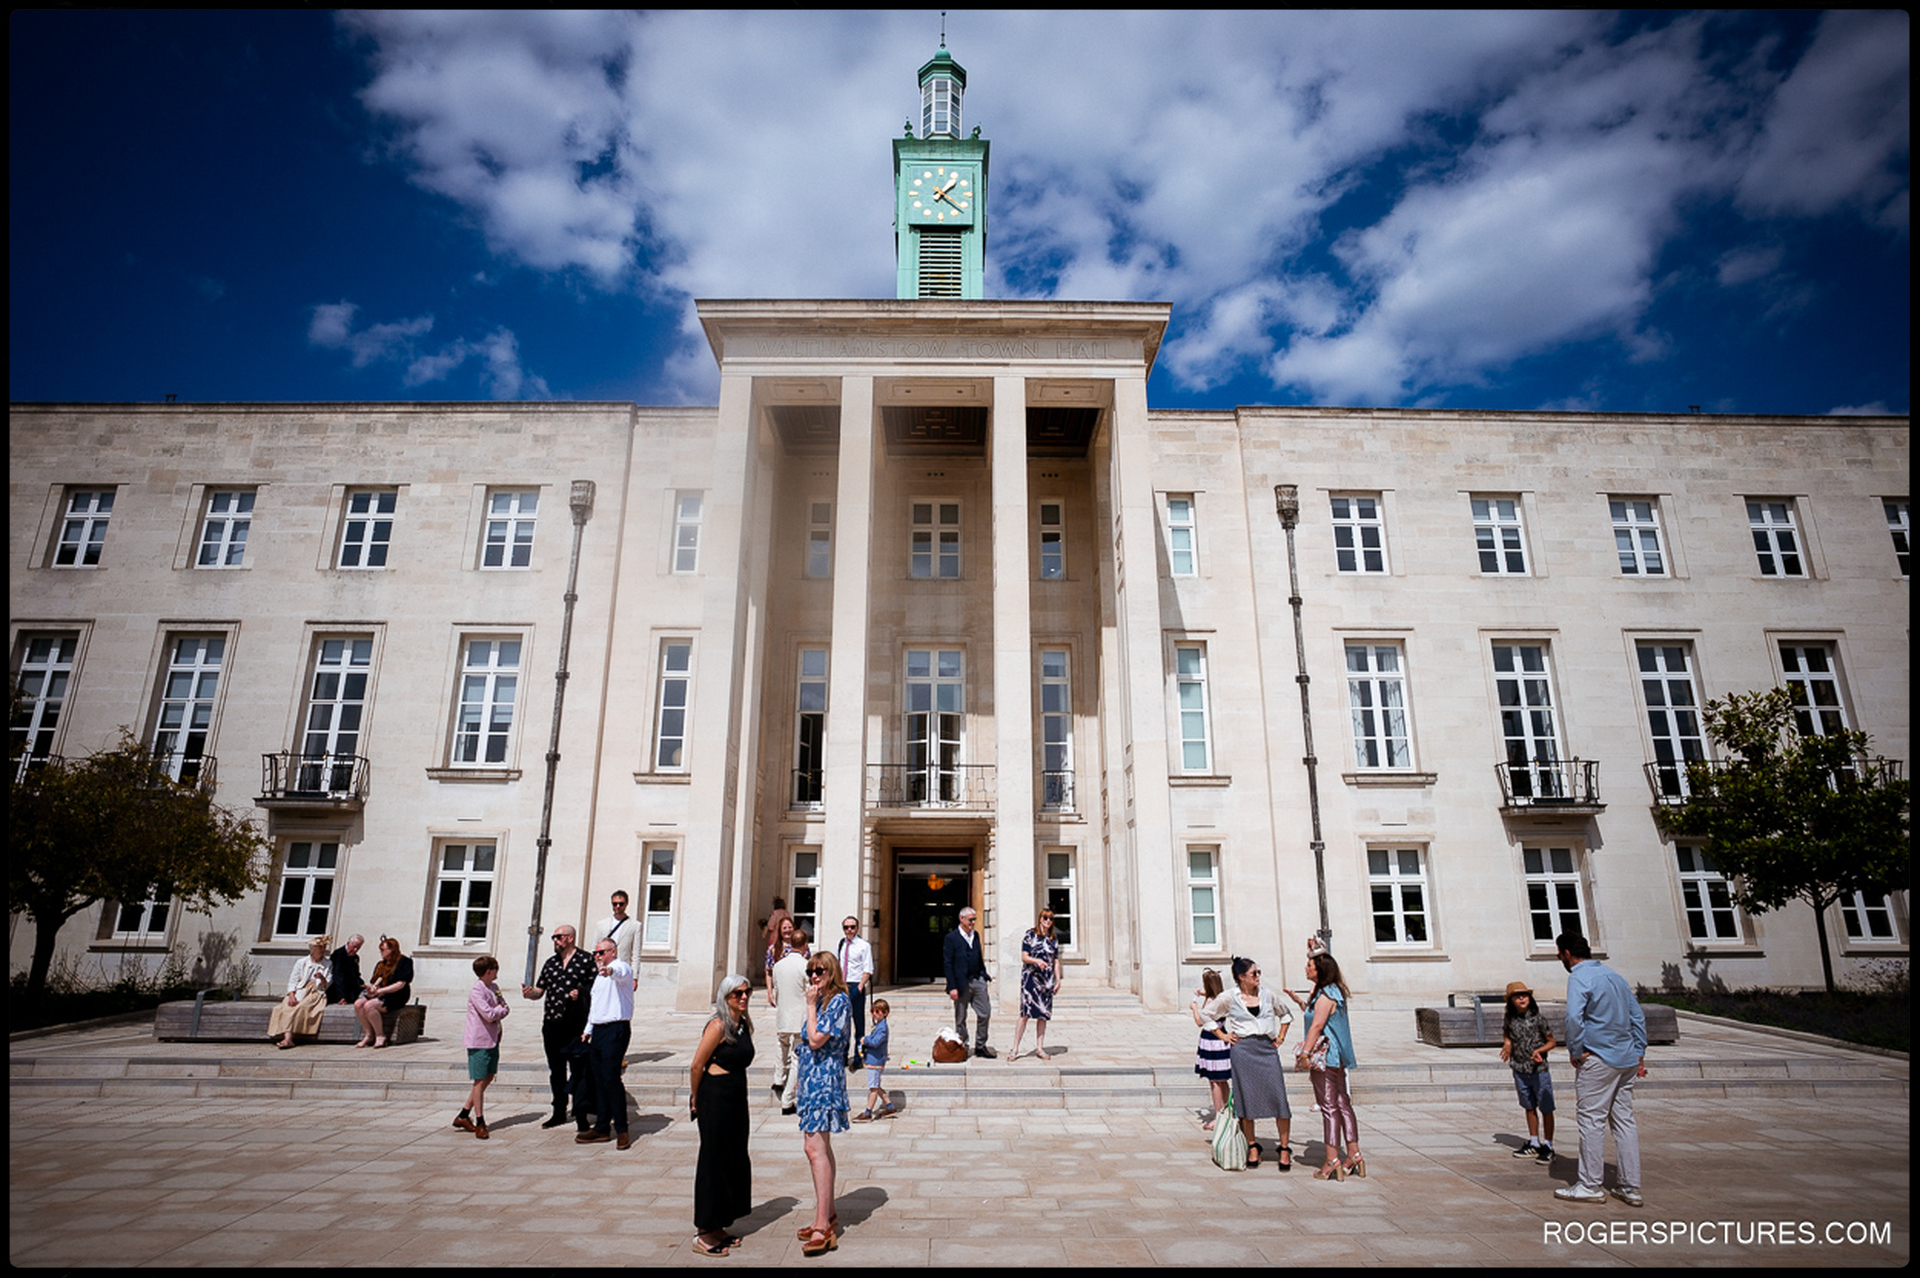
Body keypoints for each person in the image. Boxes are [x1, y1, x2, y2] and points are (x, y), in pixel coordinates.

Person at [1553, 932, 1648, 1207]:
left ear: (1567, 953)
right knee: (1624, 1122)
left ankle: (1589, 1184)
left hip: (1598, 1058)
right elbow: (1637, 1016)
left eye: (1560, 954)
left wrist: (1574, 1049)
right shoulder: (1614, 977)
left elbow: (1573, 1016)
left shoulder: (1579, 977)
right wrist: (1639, 1052)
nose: (1560, 958)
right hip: (1626, 1058)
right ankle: (1630, 1186)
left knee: (1591, 1121)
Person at [1200, 955, 1293, 1170]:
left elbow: (1285, 1014)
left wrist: (1280, 1037)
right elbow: (1207, 1015)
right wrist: (1222, 1035)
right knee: (1246, 1100)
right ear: (1242, 977)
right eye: (1254, 973)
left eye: (1259, 972)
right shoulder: (1229, 997)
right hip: (1243, 1051)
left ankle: (1285, 1148)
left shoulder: (1268, 995)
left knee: (1279, 1098)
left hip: (1266, 1049)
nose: (1258, 976)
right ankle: (1252, 1145)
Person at [689, 974, 755, 1256]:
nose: (743, 996)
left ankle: (720, 1224)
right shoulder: (717, 1025)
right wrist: (695, 1098)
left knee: (734, 1157)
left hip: (736, 1096)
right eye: (736, 993)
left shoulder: (743, 1025)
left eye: (747, 991)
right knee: (713, 1160)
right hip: (714, 1096)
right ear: (724, 996)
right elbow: (696, 1065)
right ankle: (704, 1232)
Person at [796, 951, 850, 1256]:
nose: (815, 977)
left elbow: (816, 1039)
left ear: (832, 973)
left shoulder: (838, 1001)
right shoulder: (825, 1001)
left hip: (825, 1081)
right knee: (819, 1147)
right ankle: (827, 1214)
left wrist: (809, 1004)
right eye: (811, 971)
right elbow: (807, 1043)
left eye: (820, 971)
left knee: (814, 1148)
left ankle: (823, 1226)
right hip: (812, 1079)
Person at [522, 923, 597, 1129]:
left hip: (576, 1025)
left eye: (558, 937)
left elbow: (595, 987)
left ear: (570, 938)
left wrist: (580, 991)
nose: (555, 940)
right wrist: (531, 994)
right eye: (554, 937)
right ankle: (558, 1111)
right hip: (552, 1025)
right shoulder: (550, 963)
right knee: (556, 1070)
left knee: (579, 1070)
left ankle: (581, 1113)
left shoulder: (585, 960)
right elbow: (540, 990)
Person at [1297, 949, 1363, 1180]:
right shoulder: (1333, 992)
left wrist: (1304, 1054)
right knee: (1343, 1103)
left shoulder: (1325, 997)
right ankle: (1354, 1154)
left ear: (1320, 970)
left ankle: (1331, 1158)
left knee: (1328, 1107)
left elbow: (1316, 1026)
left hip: (1326, 1057)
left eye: (1309, 965)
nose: (1306, 968)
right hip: (1338, 1057)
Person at [577, 936, 637, 1150]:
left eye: (601, 952)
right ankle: (602, 1127)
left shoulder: (621, 967)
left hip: (616, 1029)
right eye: (596, 953)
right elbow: (596, 1005)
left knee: (611, 1079)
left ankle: (622, 1129)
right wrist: (588, 1030)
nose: (598, 956)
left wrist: (611, 971)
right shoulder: (598, 977)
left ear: (613, 951)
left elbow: (621, 974)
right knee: (599, 1079)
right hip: (599, 1030)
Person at [1500, 979, 1557, 1164]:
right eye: (1517, 996)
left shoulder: (1538, 1018)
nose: (1522, 998)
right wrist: (1507, 1044)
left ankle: (1548, 1145)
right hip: (1519, 1068)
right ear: (1511, 1002)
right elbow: (1506, 1033)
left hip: (1538, 1069)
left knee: (1546, 1107)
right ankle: (1534, 1141)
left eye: (1524, 995)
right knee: (1529, 1106)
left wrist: (1540, 1051)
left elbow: (1551, 1041)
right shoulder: (1510, 1019)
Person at [455, 954, 510, 1140]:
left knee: (489, 1075)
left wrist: (500, 1010)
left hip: (493, 1038)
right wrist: (501, 1011)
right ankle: (479, 1120)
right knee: (479, 1081)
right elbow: (489, 1014)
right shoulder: (477, 991)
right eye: (496, 970)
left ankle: (463, 1114)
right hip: (479, 1040)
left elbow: (504, 1006)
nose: (497, 974)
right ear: (488, 971)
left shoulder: (494, 988)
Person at [1008, 908, 1061, 1062]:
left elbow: (1056, 960)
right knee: (1024, 1015)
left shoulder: (1053, 938)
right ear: (1040, 919)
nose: (1048, 921)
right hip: (1031, 978)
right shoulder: (1030, 935)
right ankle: (1015, 1048)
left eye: (1051, 919)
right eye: (1045, 918)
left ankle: (1040, 1048)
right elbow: (1024, 956)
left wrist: (1058, 980)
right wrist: (1036, 961)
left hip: (1047, 980)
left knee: (1043, 1015)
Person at [942, 906, 994, 1058]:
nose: (973, 922)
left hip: (977, 980)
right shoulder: (951, 938)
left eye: (974, 919)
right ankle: (963, 1045)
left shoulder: (975, 935)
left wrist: (983, 975)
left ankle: (980, 1045)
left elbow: (978, 956)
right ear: (962, 919)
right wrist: (952, 986)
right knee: (960, 1017)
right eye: (971, 919)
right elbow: (948, 963)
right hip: (960, 983)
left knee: (985, 1012)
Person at [768, 928, 810, 1116]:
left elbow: (776, 988)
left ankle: (778, 1078)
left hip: (783, 1014)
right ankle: (787, 1099)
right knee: (796, 1057)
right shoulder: (805, 965)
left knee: (781, 1044)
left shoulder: (778, 966)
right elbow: (810, 993)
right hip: (799, 1016)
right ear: (805, 944)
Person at [267, 936, 331, 1049]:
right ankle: (287, 1038)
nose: (322, 950)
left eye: (324, 947)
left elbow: (326, 985)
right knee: (285, 1008)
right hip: (300, 990)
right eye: (319, 947)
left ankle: (288, 1039)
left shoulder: (327, 963)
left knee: (300, 1008)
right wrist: (291, 995)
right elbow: (293, 980)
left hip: (315, 992)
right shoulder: (301, 962)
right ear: (312, 948)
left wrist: (321, 978)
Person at [1189, 969, 1231, 1130]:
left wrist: (1194, 1008)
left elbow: (1200, 1022)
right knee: (1223, 1079)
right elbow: (1211, 993)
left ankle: (1218, 1115)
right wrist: (1202, 992)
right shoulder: (1221, 998)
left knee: (1214, 1081)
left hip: (1212, 1039)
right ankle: (1227, 1111)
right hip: (1221, 1038)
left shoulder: (1210, 1003)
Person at [352, 936, 413, 1049]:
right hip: (380, 993)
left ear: (391, 950)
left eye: (383, 950)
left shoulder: (404, 962)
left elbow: (401, 984)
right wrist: (372, 989)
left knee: (370, 1006)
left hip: (396, 995)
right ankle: (369, 1034)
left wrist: (380, 991)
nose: (380, 952)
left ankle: (380, 1036)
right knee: (358, 1004)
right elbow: (376, 982)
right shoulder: (381, 964)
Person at [836, 916, 875, 1071]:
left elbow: (868, 967)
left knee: (858, 1023)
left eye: (852, 927)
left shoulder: (863, 945)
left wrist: (860, 985)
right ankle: (843, 1055)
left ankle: (858, 1056)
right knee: (842, 1024)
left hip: (855, 985)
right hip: (842, 985)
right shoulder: (841, 944)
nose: (849, 930)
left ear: (857, 928)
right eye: (846, 927)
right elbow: (838, 963)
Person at [852, 998, 895, 1121]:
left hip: (875, 1060)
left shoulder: (882, 1028)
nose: (874, 1014)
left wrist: (865, 1040)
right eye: (872, 1011)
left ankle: (868, 1112)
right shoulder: (878, 1026)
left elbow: (876, 1042)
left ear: (885, 1013)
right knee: (876, 1085)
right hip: (873, 1059)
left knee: (873, 1088)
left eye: (877, 1011)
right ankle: (890, 1106)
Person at [594, 890, 639, 970]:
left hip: (623, 970)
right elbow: (594, 948)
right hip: (604, 968)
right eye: (615, 904)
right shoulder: (601, 924)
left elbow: (636, 954)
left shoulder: (635, 925)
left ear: (626, 904)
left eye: (621, 904)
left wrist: (634, 977)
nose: (618, 906)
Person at [760, 897, 793, 985]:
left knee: (772, 959)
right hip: (785, 940)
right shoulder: (787, 913)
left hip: (775, 938)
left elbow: (771, 926)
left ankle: (772, 979)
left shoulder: (775, 913)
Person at [764, 915, 802, 989]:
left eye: (790, 927)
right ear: (780, 931)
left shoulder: (802, 946)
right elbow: (768, 972)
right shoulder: (773, 949)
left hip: (797, 986)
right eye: (784, 928)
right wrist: (769, 991)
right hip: (780, 987)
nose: (787, 930)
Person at [326, 934, 364, 1005]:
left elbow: (355, 976)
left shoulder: (355, 957)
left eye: (358, 948)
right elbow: (338, 977)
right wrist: (342, 996)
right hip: (337, 992)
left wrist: (363, 987)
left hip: (350, 992)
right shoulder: (338, 955)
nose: (355, 950)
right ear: (348, 943)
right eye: (354, 947)